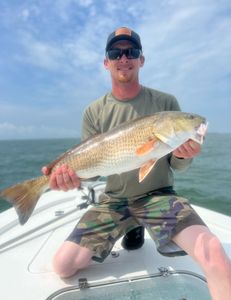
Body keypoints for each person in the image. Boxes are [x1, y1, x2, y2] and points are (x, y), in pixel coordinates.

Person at [42, 27, 231, 300]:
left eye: (131, 52)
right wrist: (71, 178)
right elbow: (92, 168)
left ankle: (138, 223)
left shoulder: (165, 103)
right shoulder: (93, 112)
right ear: (106, 62)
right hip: (114, 200)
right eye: (115, 53)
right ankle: (132, 224)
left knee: (214, 253)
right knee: (63, 266)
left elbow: (176, 166)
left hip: (157, 196)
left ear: (141, 59)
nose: (124, 58)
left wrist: (180, 156)